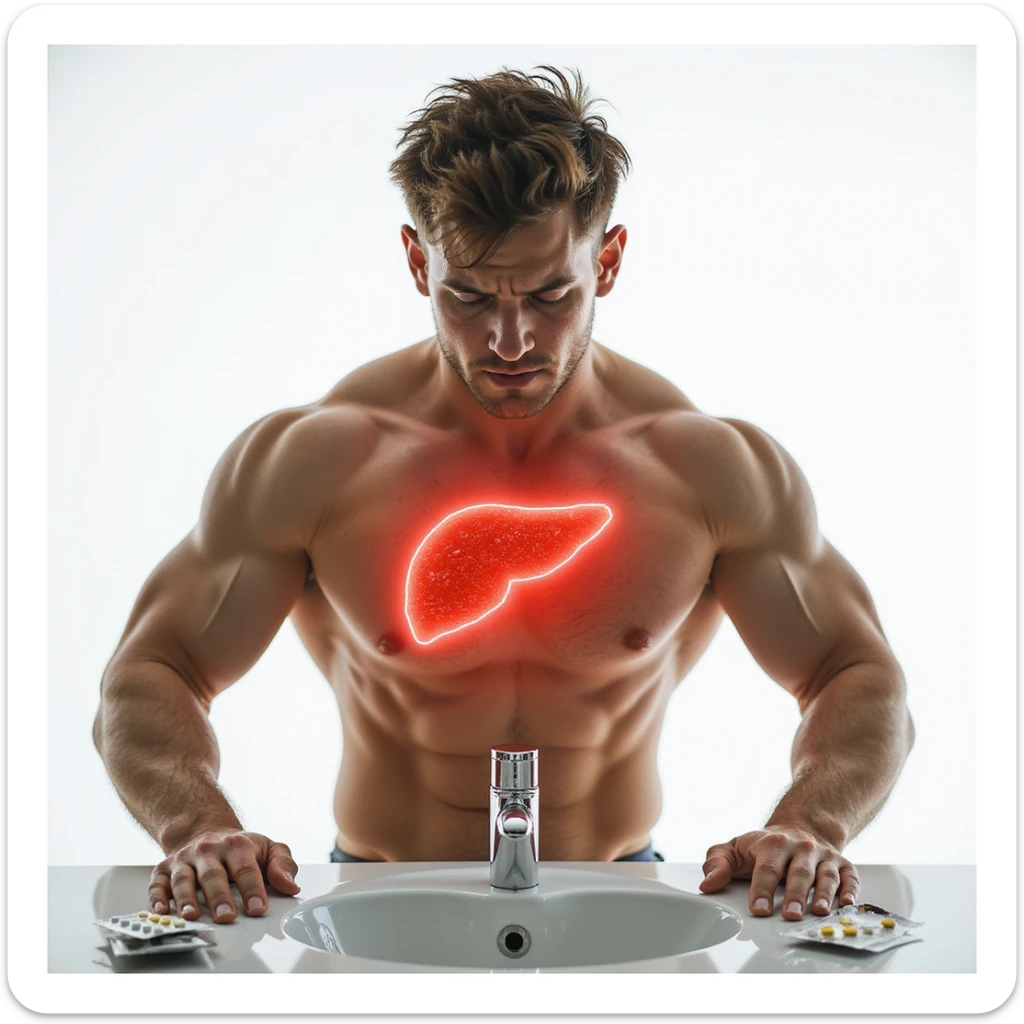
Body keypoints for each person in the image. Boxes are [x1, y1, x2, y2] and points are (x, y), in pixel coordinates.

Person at [93, 65, 914, 929]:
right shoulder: (316, 461)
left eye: (553, 295)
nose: (511, 340)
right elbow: (153, 672)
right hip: (379, 900)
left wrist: (809, 824)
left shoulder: (707, 469)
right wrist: (199, 829)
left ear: (609, 258)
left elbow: (856, 674)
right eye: (469, 296)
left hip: (617, 896)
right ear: (418, 262)